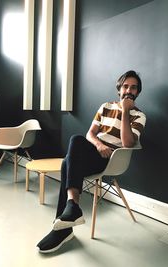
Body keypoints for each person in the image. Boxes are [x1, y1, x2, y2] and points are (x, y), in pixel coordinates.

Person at [37, 70, 146, 253]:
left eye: (133, 87)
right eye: (125, 86)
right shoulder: (105, 106)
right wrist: (98, 145)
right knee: (77, 140)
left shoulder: (139, 115)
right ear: (119, 89)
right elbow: (90, 134)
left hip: (111, 159)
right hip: (95, 151)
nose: (129, 90)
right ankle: (71, 210)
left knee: (66, 164)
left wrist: (126, 111)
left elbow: (127, 142)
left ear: (137, 92)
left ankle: (64, 227)